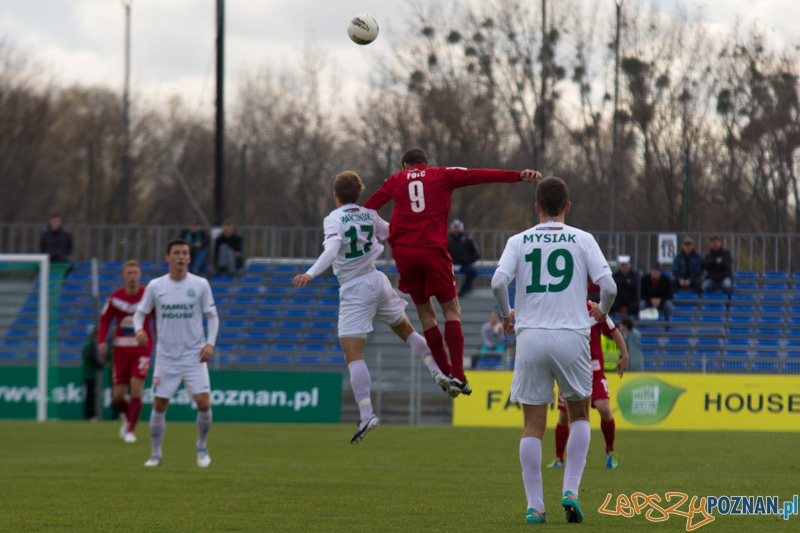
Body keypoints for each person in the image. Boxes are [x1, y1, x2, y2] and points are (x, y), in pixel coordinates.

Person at [491, 176, 618, 524]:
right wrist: (602, 312)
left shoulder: (519, 240)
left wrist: (506, 316)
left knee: (533, 425)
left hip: (530, 336)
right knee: (580, 416)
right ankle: (570, 492)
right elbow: (609, 285)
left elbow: (498, 281)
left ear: (536, 207)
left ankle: (535, 506)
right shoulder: (583, 239)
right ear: (567, 206)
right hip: (572, 336)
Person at [293, 171, 453, 444]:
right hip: (378, 280)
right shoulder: (369, 213)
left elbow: (332, 250)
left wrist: (310, 273)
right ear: (358, 193)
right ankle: (437, 369)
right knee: (407, 330)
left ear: (335, 195)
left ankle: (366, 413)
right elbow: (394, 232)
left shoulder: (334, 218)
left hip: (356, 288)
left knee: (352, 355)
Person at [364, 148, 540, 395]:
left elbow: (368, 209)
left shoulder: (395, 180)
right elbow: (478, 175)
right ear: (426, 163)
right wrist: (517, 175)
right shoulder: (441, 174)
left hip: (403, 253)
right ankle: (458, 375)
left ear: (405, 165)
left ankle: (444, 371)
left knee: (426, 315)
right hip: (432, 251)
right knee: (451, 310)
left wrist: (386, 231)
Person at [134, 238, 219, 467]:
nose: (181, 256)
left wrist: (209, 344)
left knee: (203, 403)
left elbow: (212, 316)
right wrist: (139, 329)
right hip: (166, 356)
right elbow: (139, 313)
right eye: (176, 253)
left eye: (184, 253)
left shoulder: (200, 284)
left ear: (189, 258)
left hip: (194, 355)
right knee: (160, 405)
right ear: (168, 257)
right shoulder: (155, 286)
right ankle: (155, 454)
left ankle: (201, 447)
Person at [547, 301, 629, 471]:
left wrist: (625, 355)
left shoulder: (593, 309)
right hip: (570, 371)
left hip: (595, 371)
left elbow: (613, 330)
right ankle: (559, 458)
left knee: (605, 409)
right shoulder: (561, 309)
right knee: (564, 416)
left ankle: (610, 452)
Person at [97, 260, 154, 443]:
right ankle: (128, 417)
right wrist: (101, 342)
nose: (132, 276)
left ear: (140, 275)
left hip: (141, 349)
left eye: (135, 273)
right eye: (129, 273)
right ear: (123, 276)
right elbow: (104, 320)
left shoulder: (148, 296)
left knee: (136, 387)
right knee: (118, 396)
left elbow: (158, 319)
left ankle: (130, 430)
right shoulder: (115, 298)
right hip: (120, 349)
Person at [447, 219, 481, 297]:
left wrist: (468, 260)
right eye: (454, 228)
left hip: (464, 265)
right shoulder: (447, 241)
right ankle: (447, 291)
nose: (456, 229)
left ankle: (464, 290)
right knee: (439, 272)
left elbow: (477, 253)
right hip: (449, 264)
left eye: (458, 227)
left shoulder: (468, 240)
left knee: (472, 272)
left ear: (461, 228)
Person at [81, 325, 104, 421]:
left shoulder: (86, 343)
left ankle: (89, 414)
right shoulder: (90, 344)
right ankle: (89, 414)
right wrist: (99, 365)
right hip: (89, 373)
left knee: (89, 395)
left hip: (87, 373)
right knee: (90, 395)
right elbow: (91, 357)